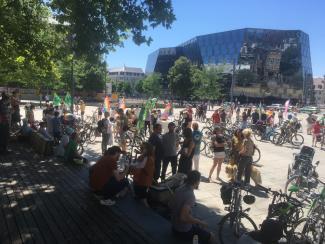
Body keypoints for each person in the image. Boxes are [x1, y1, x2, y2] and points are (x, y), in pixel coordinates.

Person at [170, 171, 215, 244]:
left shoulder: (180, 188)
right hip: (183, 231)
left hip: (174, 227)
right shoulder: (190, 195)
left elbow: (170, 205)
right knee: (211, 236)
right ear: (197, 182)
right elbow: (183, 218)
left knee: (198, 222)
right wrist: (201, 222)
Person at [130, 142, 155, 207]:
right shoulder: (143, 156)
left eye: (143, 148)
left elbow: (140, 167)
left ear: (148, 149)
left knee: (143, 199)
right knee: (138, 195)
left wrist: (131, 166)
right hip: (139, 180)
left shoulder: (149, 158)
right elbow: (137, 164)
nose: (141, 149)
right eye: (141, 147)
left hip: (143, 181)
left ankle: (148, 210)